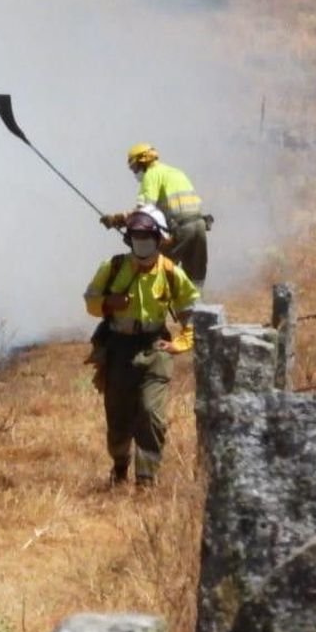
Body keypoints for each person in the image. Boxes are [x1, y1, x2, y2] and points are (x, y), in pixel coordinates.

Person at [83, 205, 199, 487]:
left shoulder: (171, 273)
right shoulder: (113, 267)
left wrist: (181, 343)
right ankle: (120, 467)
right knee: (118, 417)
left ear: (159, 239)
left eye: (147, 236)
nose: (141, 242)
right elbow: (90, 300)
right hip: (118, 348)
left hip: (154, 347)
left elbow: (191, 311)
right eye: (136, 236)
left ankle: (147, 481)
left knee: (150, 413)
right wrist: (110, 303)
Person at [100, 143, 209, 290]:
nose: (134, 172)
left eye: (134, 167)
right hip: (200, 225)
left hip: (181, 230)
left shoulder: (151, 175)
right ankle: (195, 307)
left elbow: (144, 211)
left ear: (142, 161)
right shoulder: (175, 172)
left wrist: (116, 219)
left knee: (156, 269)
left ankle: (156, 309)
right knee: (195, 273)